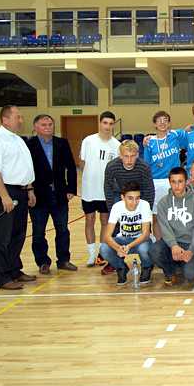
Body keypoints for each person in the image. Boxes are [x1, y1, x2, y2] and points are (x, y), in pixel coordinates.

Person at [0, 105, 37, 290]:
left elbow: (24, 168)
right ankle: (3, 278)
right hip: (5, 191)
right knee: (2, 236)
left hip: (21, 191)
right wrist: (4, 196)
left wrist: (29, 189)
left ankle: (14, 270)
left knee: (18, 234)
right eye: (17, 117)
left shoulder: (17, 139)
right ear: (5, 120)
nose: (21, 120)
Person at [26, 114, 77, 274]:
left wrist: (71, 189)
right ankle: (42, 262)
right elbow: (25, 170)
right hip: (38, 196)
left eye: (50, 124)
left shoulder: (62, 143)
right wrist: (29, 190)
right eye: (44, 125)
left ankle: (63, 260)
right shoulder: (28, 145)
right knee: (38, 232)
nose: (48, 127)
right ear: (35, 127)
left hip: (60, 194)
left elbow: (71, 167)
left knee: (63, 229)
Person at [150, 167, 194, 286]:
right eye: (173, 182)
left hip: (191, 243)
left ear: (186, 181)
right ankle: (170, 271)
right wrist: (173, 245)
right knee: (154, 250)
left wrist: (191, 250)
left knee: (190, 274)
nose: (177, 185)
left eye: (180, 181)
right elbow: (165, 228)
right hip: (172, 244)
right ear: (169, 182)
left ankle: (186, 264)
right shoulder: (163, 203)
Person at [79, 111, 120, 268]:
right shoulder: (88, 141)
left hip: (106, 191)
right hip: (89, 189)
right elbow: (82, 163)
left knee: (105, 221)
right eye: (105, 123)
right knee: (89, 220)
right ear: (100, 123)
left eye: (111, 123)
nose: (107, 126)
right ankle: (91, 254)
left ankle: (102, 254)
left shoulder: (117, 145)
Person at [100, 181, 154, 286]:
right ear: (122, 197)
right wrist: (118, 248)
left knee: (144, 249)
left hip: (141, 240)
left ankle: (147, 267)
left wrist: (128, 246)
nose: (134, 202)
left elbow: (146, 234)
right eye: (130, 198)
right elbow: (107, 236)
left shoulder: (144, 205)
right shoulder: (116, 207)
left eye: (137, 198)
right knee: (104, 248)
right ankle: (121, 268)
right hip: (123, 240)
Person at [143, 111, 182, 215]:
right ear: (154, 124)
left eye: (165, 120)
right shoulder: (149, 142)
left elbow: (190, 130)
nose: (162, 123)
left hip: (173, 180)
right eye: (159, 120)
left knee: (174, 213)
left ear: (169, 123)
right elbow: (146, 164)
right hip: (155, 181)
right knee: (156, 213)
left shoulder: (175, 136)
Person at [104, 140, 155, 212]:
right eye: (126, 156)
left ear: (137, 155)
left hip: (139, 193)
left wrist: (147, 210)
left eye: (132, 156)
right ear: (120, 155)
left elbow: (149, 190)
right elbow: (108, 189)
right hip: (120, 193)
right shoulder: (111, 167)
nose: (129, 160)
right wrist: (112, 211)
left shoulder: (144, 167)